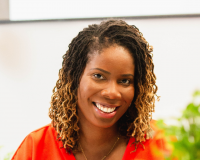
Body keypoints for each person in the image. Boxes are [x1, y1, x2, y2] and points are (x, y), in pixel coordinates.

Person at [12, 19, 165, 160]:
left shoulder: (161, 143)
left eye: (125, 81)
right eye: (98, 76)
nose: (112, 92)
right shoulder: (36, 148)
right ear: (74, 77)